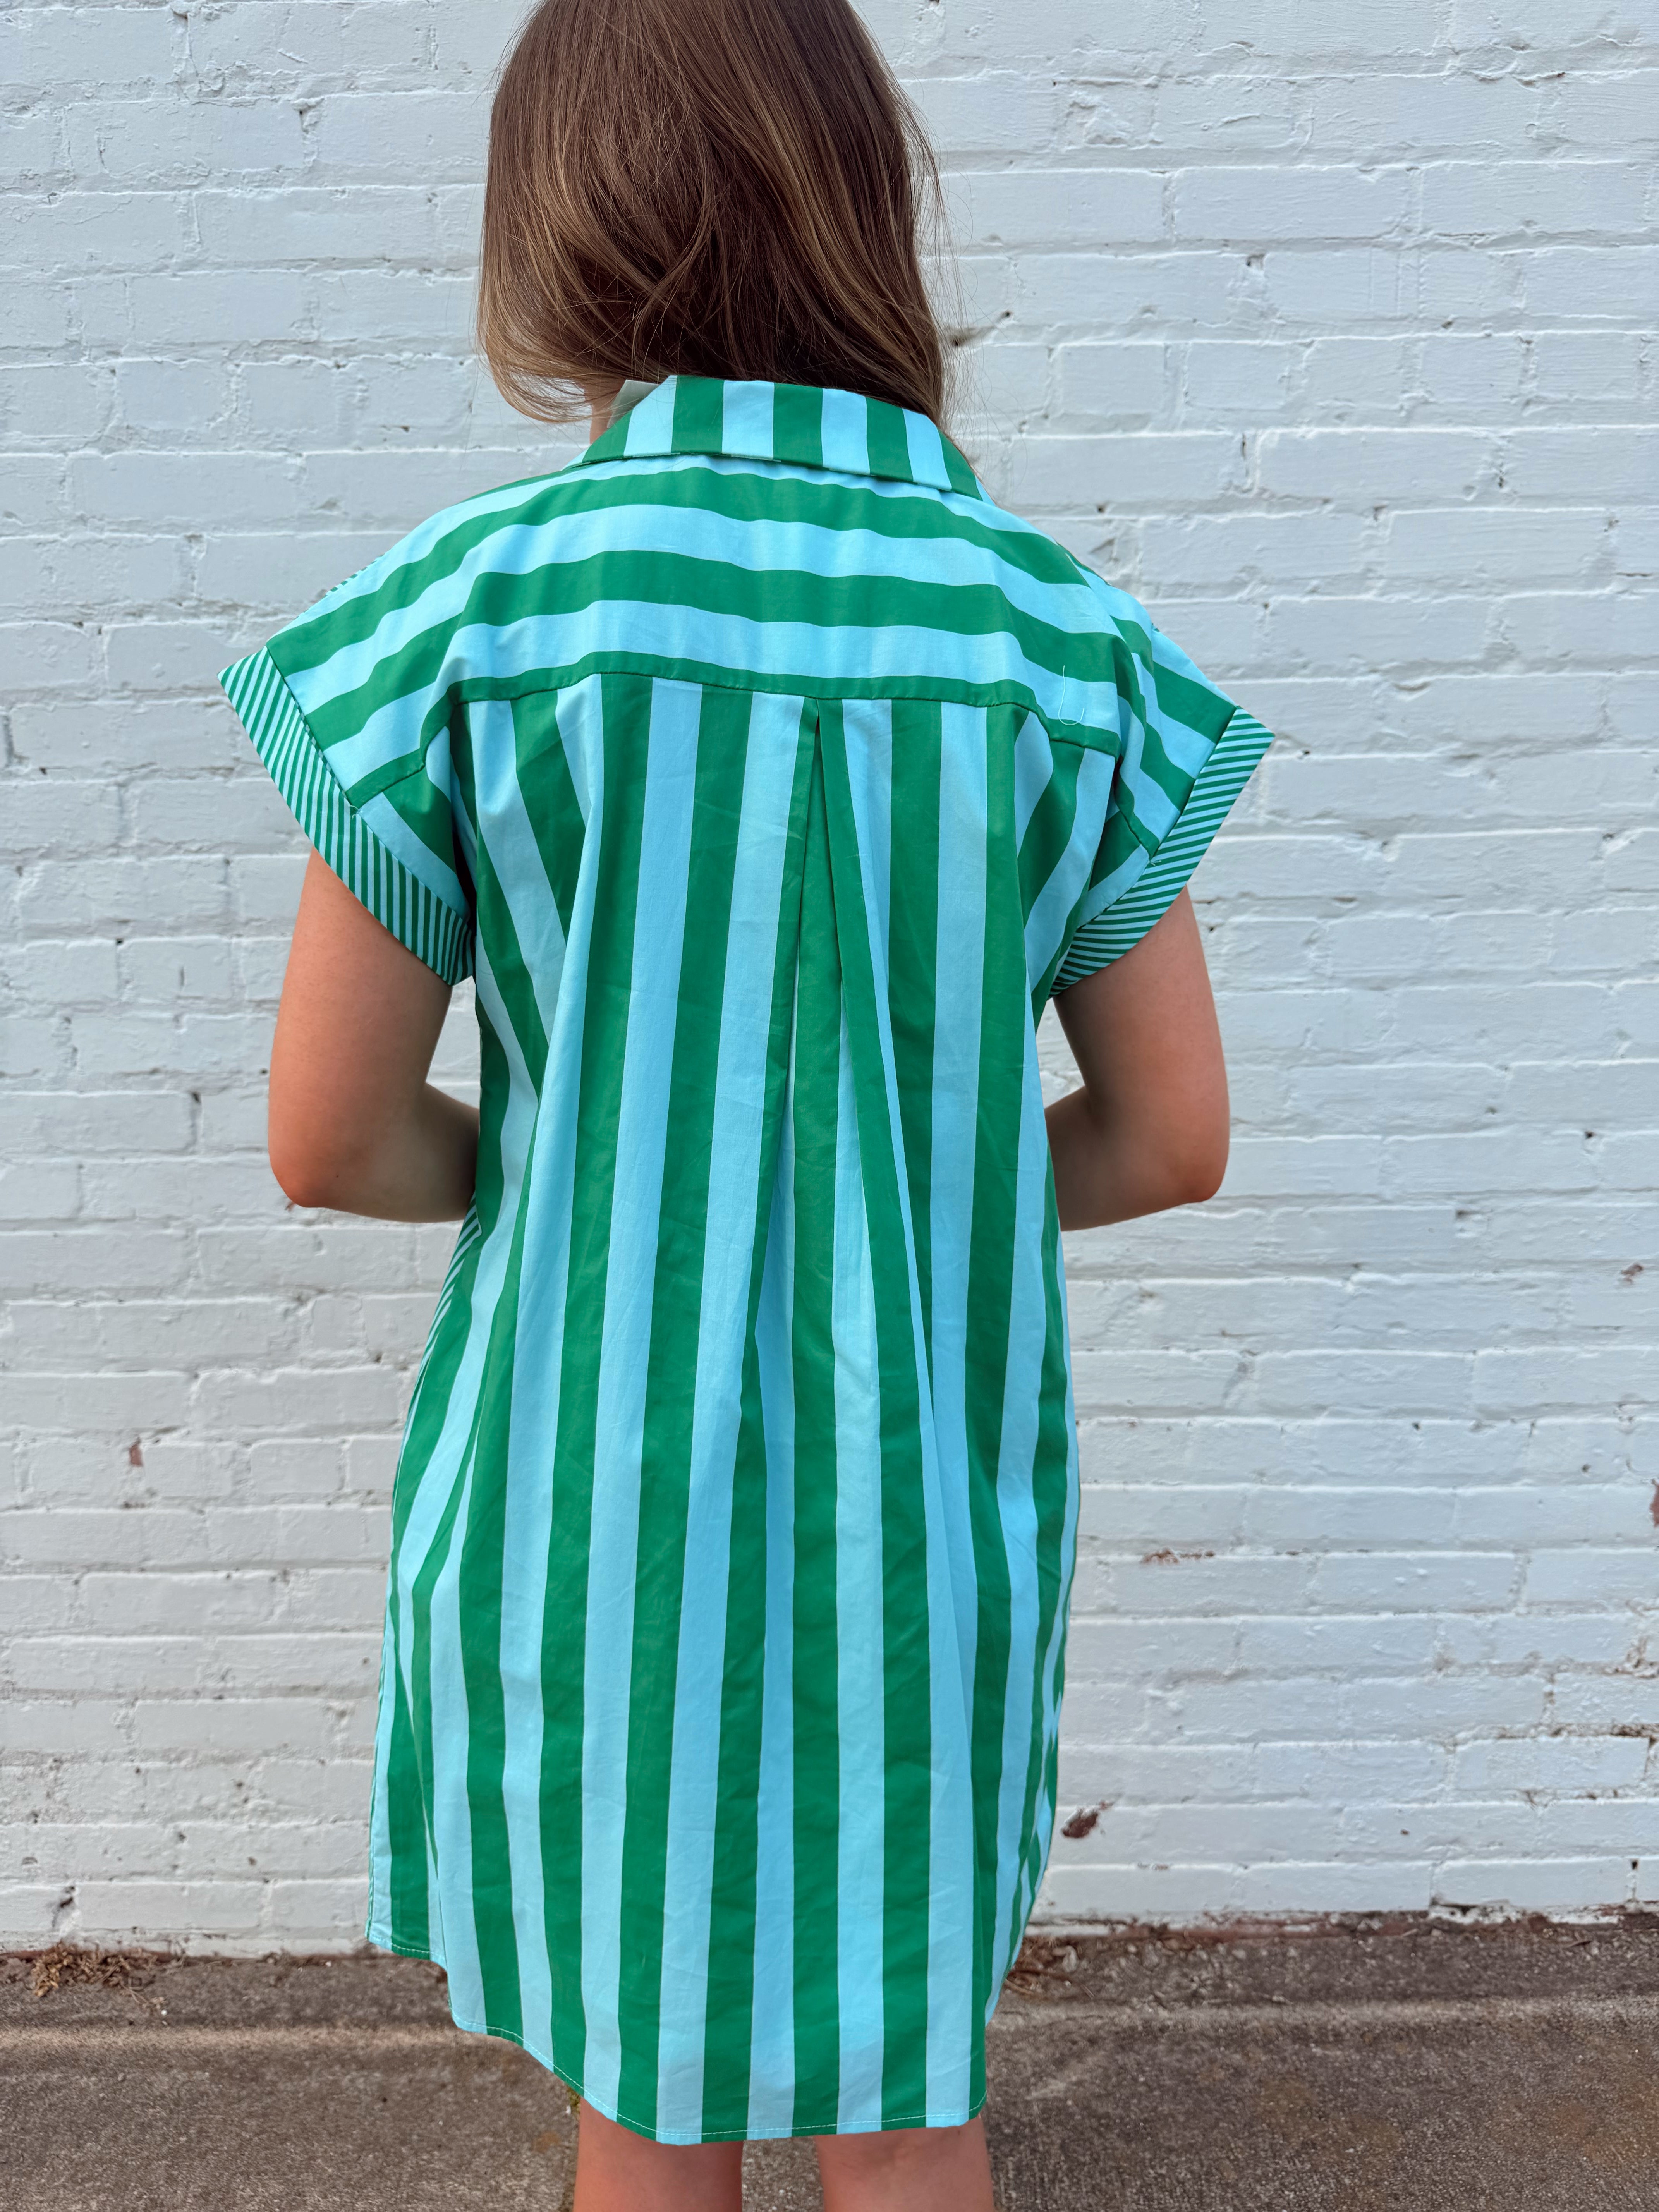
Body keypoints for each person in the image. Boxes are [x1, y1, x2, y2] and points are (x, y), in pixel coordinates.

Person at [218, 0, 1272, 2203]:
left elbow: (331, 1135)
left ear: (560, 231)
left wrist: (576, 1171)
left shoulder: (479, 615)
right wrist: (923, 1189)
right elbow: (1170, 1138)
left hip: (585, 1496)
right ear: (863, 208)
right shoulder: (1050, 639)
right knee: (904, 2102)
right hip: (923, 1510)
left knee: (648, 2078)